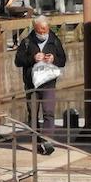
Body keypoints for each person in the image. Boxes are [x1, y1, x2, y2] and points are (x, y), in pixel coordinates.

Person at [14, 15, 66, 155]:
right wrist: (32, 58)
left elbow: (63, 59)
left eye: (45, 30)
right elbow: (18, 61)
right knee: (33, 114)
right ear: (35, 28)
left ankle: (47, 140)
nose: (43, 33)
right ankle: (37, 142)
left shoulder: (54, 40)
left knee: (49, 112)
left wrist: (53, 59)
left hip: (48, 83)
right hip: (32, 84)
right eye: (40, 30)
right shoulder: (27, 41)